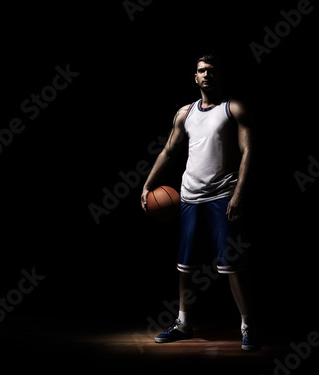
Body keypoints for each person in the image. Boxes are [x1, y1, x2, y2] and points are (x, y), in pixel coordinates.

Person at [140, 55, 259, 350]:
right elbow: (168, 150)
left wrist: (240, 192)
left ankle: (248, 327)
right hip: (189, 196)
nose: (206, 75)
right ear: (195, 77)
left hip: (222, 195)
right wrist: (147, 184)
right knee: (185, 266)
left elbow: (249, 151)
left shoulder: (234, 108)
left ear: (220, 76)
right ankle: (183, 324)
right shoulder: (185, 113)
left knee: (232, 265)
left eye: (212, 71)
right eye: (201, 71)